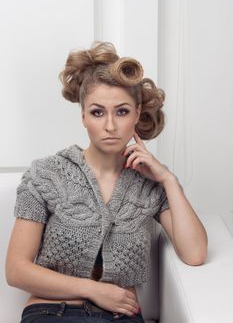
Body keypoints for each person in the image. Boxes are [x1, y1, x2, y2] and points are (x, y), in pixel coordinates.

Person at [5, 41, 208, 323]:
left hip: (120, 317)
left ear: (137, 113)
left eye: (122, 111)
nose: (110, 126)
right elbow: (16, 270)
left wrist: (168, 179)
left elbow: (195, 253)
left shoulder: (149, 185)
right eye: (98, 112)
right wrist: (92, 290)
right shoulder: (45, 175)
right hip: (52, 312)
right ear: (83, 116)